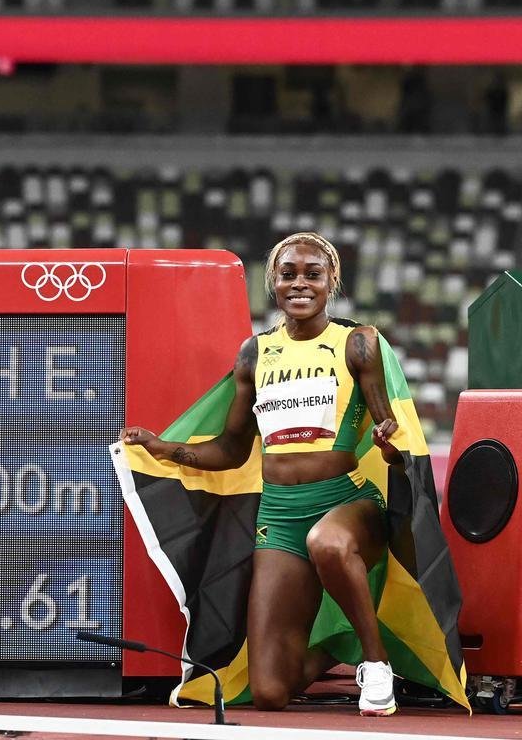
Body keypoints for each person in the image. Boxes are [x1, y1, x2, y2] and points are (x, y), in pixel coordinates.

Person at [119, 231, 403, 717]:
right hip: (280, 516)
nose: (300, 284)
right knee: (270, 692)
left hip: (345, 502)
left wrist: (389, 445)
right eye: (287, 273)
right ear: (272, 280)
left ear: (332, 280)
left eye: (313, 274)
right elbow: (231, 450)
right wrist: (162, 448)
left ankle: (376, 665)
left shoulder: (357, 344)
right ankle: (334, 648)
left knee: (329, 543)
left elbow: (395, 440)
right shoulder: (255, 354)